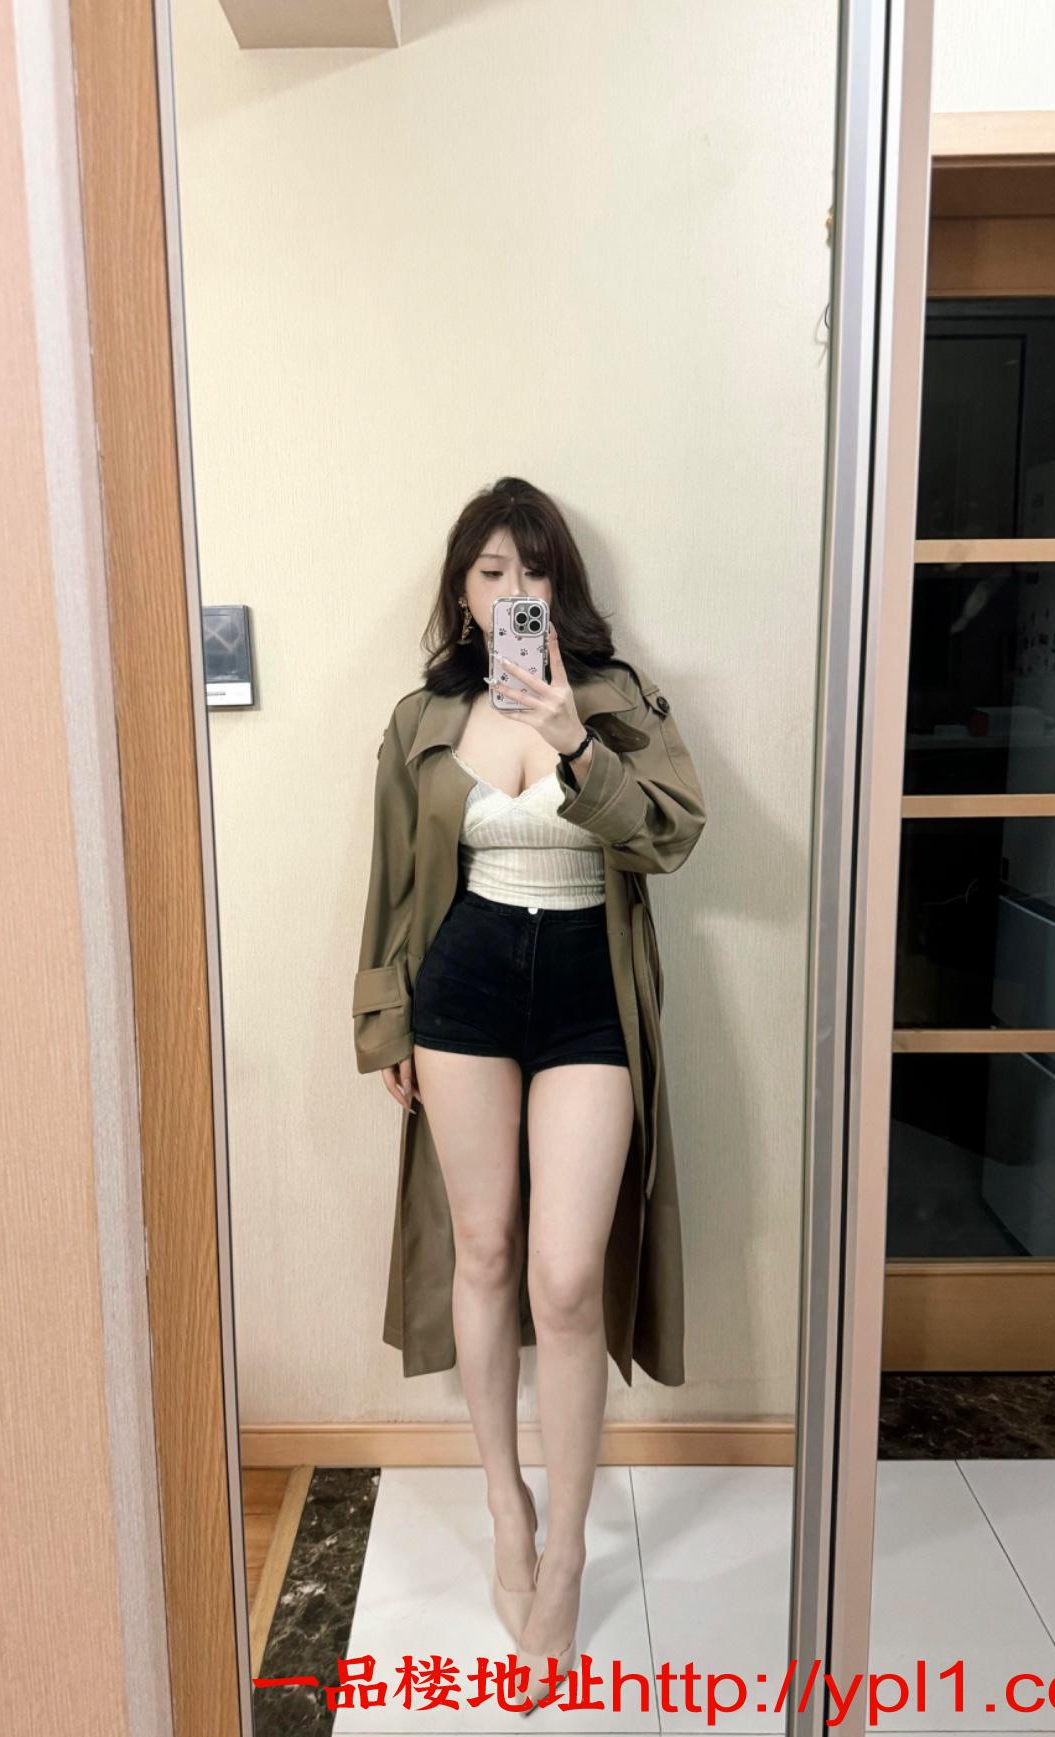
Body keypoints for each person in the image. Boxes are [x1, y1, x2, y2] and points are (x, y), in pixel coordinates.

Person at [352, 476, 706, 1706]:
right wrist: (386, 1023)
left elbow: (671, 837)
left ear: (563, 587)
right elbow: (393, 879)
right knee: (486, 1248)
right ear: (464, 592)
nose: (515, 590)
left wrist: (572, 739)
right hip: (463, 988)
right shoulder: (422, 719)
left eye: (535, 571)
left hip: (587, 998)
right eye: (493, 571)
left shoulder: (616, 701)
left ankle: (568, 1552)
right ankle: (507, 1506)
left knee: (565, 1277)